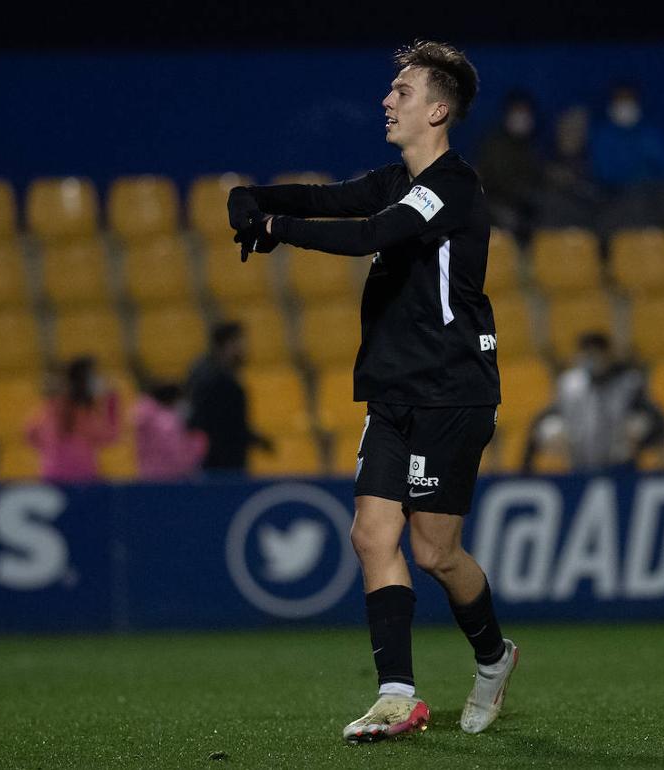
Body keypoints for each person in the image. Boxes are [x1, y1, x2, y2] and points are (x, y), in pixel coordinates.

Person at [228, 40, 517, 742]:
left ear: (439, 109)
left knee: (435, 553)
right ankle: (397, 695)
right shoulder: (395, 178)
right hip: (391, 390)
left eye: (404, 91)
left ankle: (493, 655)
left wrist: (273, 228)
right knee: (369, 535)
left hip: (452, 391)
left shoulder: (454, 186)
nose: (388, 100)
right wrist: (251, 196)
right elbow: (330, 198)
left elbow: (367, 235)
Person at [525, 332, 664, 472]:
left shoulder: (628, 382)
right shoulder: (570, 383)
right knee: (551, 428)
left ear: (607, 355)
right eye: (587, 354)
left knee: (637, 424)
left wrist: (641, 438)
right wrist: (527, 466)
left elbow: (658, 422)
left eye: (596, 354)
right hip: (579, 459)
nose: (592, 359)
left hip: (621, 462)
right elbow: (540, 422)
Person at [588, 82, 664, 242]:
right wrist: (639, 175)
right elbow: (604, 173)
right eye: (620, 101)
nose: (625, 106)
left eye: (629, 101)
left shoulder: (651, 134)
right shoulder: (602, 136)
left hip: (654, 197)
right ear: (611, 105)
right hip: (617, 198)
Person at [186, 322, 270, 472]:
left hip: (221, 458)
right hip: (220, 463)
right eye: (240, 343)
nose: (244, 349)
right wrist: (252, 438)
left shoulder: (208, 372)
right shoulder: (214, 379)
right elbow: (224, 424)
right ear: (227, 344)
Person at [26, 356, 120, 483]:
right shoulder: (80, 413)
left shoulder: (53, 407)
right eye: (93, 377)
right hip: (80, 479)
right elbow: (109, 436)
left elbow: (31, 432)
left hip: (55, 476)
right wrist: (111, 402)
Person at [477, 89, 544, 243]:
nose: (521, 117)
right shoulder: (493, 145)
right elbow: (491, 182)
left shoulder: (535, 148)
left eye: (525, 112)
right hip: (496, 207)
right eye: (517, 111)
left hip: (527, 211)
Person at [538, 105, 601, 229]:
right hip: (550, 232)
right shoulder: (542, 163)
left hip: (585, 232)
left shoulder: (594, 165)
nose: (572, 134)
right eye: (568, 128)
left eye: (578, 129)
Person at [133, 380, 207, 481]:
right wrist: (198, 442)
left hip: (147, 476)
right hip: (169, 480)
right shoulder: (167, 424)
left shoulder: (143, 415)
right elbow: (178, 457)